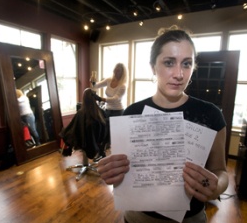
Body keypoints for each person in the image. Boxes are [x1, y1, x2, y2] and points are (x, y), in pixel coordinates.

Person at [97, 25, 229, 223]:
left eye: (186, 64)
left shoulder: (211, 114)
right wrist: (111, 171)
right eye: (169, 62)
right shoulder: (133, 112)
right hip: (138, 218)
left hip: (190, 218)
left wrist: (216, 187)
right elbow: (123, 170)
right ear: (153, 66)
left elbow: (221, 171)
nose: (179, 74)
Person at [60, 88, 108, 160]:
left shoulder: (80, 113)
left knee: (65, 132)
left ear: (84, 99)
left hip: (84, 143)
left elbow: (73, 128)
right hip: (98, 142)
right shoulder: (101, 112)